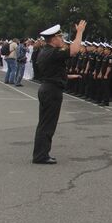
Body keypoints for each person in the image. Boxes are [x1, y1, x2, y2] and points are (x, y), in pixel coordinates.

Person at [32, 21, 86, 164]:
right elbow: (74, 50)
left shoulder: (45, 52)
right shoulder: (53, 52)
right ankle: (41, 156)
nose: (62, 40)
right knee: (48, 124)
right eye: (60, 37)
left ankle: (41, 153)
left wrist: (67, 76)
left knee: (44, 123)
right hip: (51, 91)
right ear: (54, 39)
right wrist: (79, 32)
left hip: (47, 87)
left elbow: (51, 72)